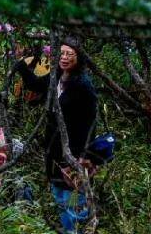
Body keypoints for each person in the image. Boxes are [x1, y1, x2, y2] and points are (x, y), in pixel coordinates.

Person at [15, 38, 98, 234]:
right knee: (59, 193)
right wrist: (20, 64)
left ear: (79, 58)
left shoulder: (83, 85)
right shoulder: (57, 77)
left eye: (70, 54)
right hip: (54, 148)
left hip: (74, 149)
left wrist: (84, 155)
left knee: (74, 196)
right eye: (62, 53)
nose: (65, 58)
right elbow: (35, 84)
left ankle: (75, 230)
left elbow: (90, 122)